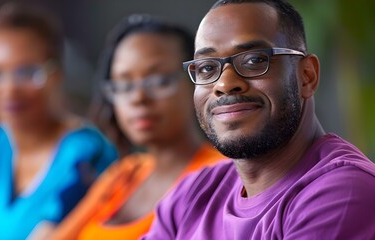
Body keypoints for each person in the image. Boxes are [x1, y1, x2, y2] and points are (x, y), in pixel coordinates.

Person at [143, 0, 375, 239]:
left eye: (254, 60)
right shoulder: (192, 196)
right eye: (206, 68)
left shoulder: (344, 193)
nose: (224, 84)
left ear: (307, 76)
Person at [50, 14, 226, 240]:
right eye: (124, 85)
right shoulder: (125, 175)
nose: (138, 98)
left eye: (159, 81)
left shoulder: (220, 176)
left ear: (197, 81)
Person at [0, 4, 118, 240]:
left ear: (57, 74)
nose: (9, 89)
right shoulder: (1, 139)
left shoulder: (86, 154)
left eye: (26, 72)